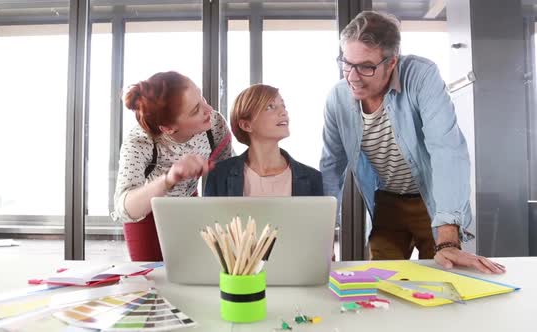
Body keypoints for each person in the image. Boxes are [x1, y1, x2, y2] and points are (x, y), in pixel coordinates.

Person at [320, 11, 505, 273]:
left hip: (431, 199)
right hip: (385, 202)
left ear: (392, 62)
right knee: (382, 282)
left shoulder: (421, 77)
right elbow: (331, 168)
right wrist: (323, 234)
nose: (352, 76)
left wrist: (448, 236)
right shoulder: (337, 99)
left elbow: (446, 150)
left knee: (444, 277)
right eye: (347, 63)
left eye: (366, 67)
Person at [112, 71, 232, 261]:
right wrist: (169, 179)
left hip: (188, 203)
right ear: (168, 128)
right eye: (195, 110)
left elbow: (227, 174)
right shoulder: (139, 142)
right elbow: (124, 209)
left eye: (201, 97)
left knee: (193, 271)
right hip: (147, 212)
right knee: (151, 279)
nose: (209, 109)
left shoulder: (215, 124)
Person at [204, 84, 322, 197]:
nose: (283, 112)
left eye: (283, 106)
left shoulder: (313, 178)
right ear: (246, 125)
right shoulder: (219, 175)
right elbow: (210, 218)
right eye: (270, 107)